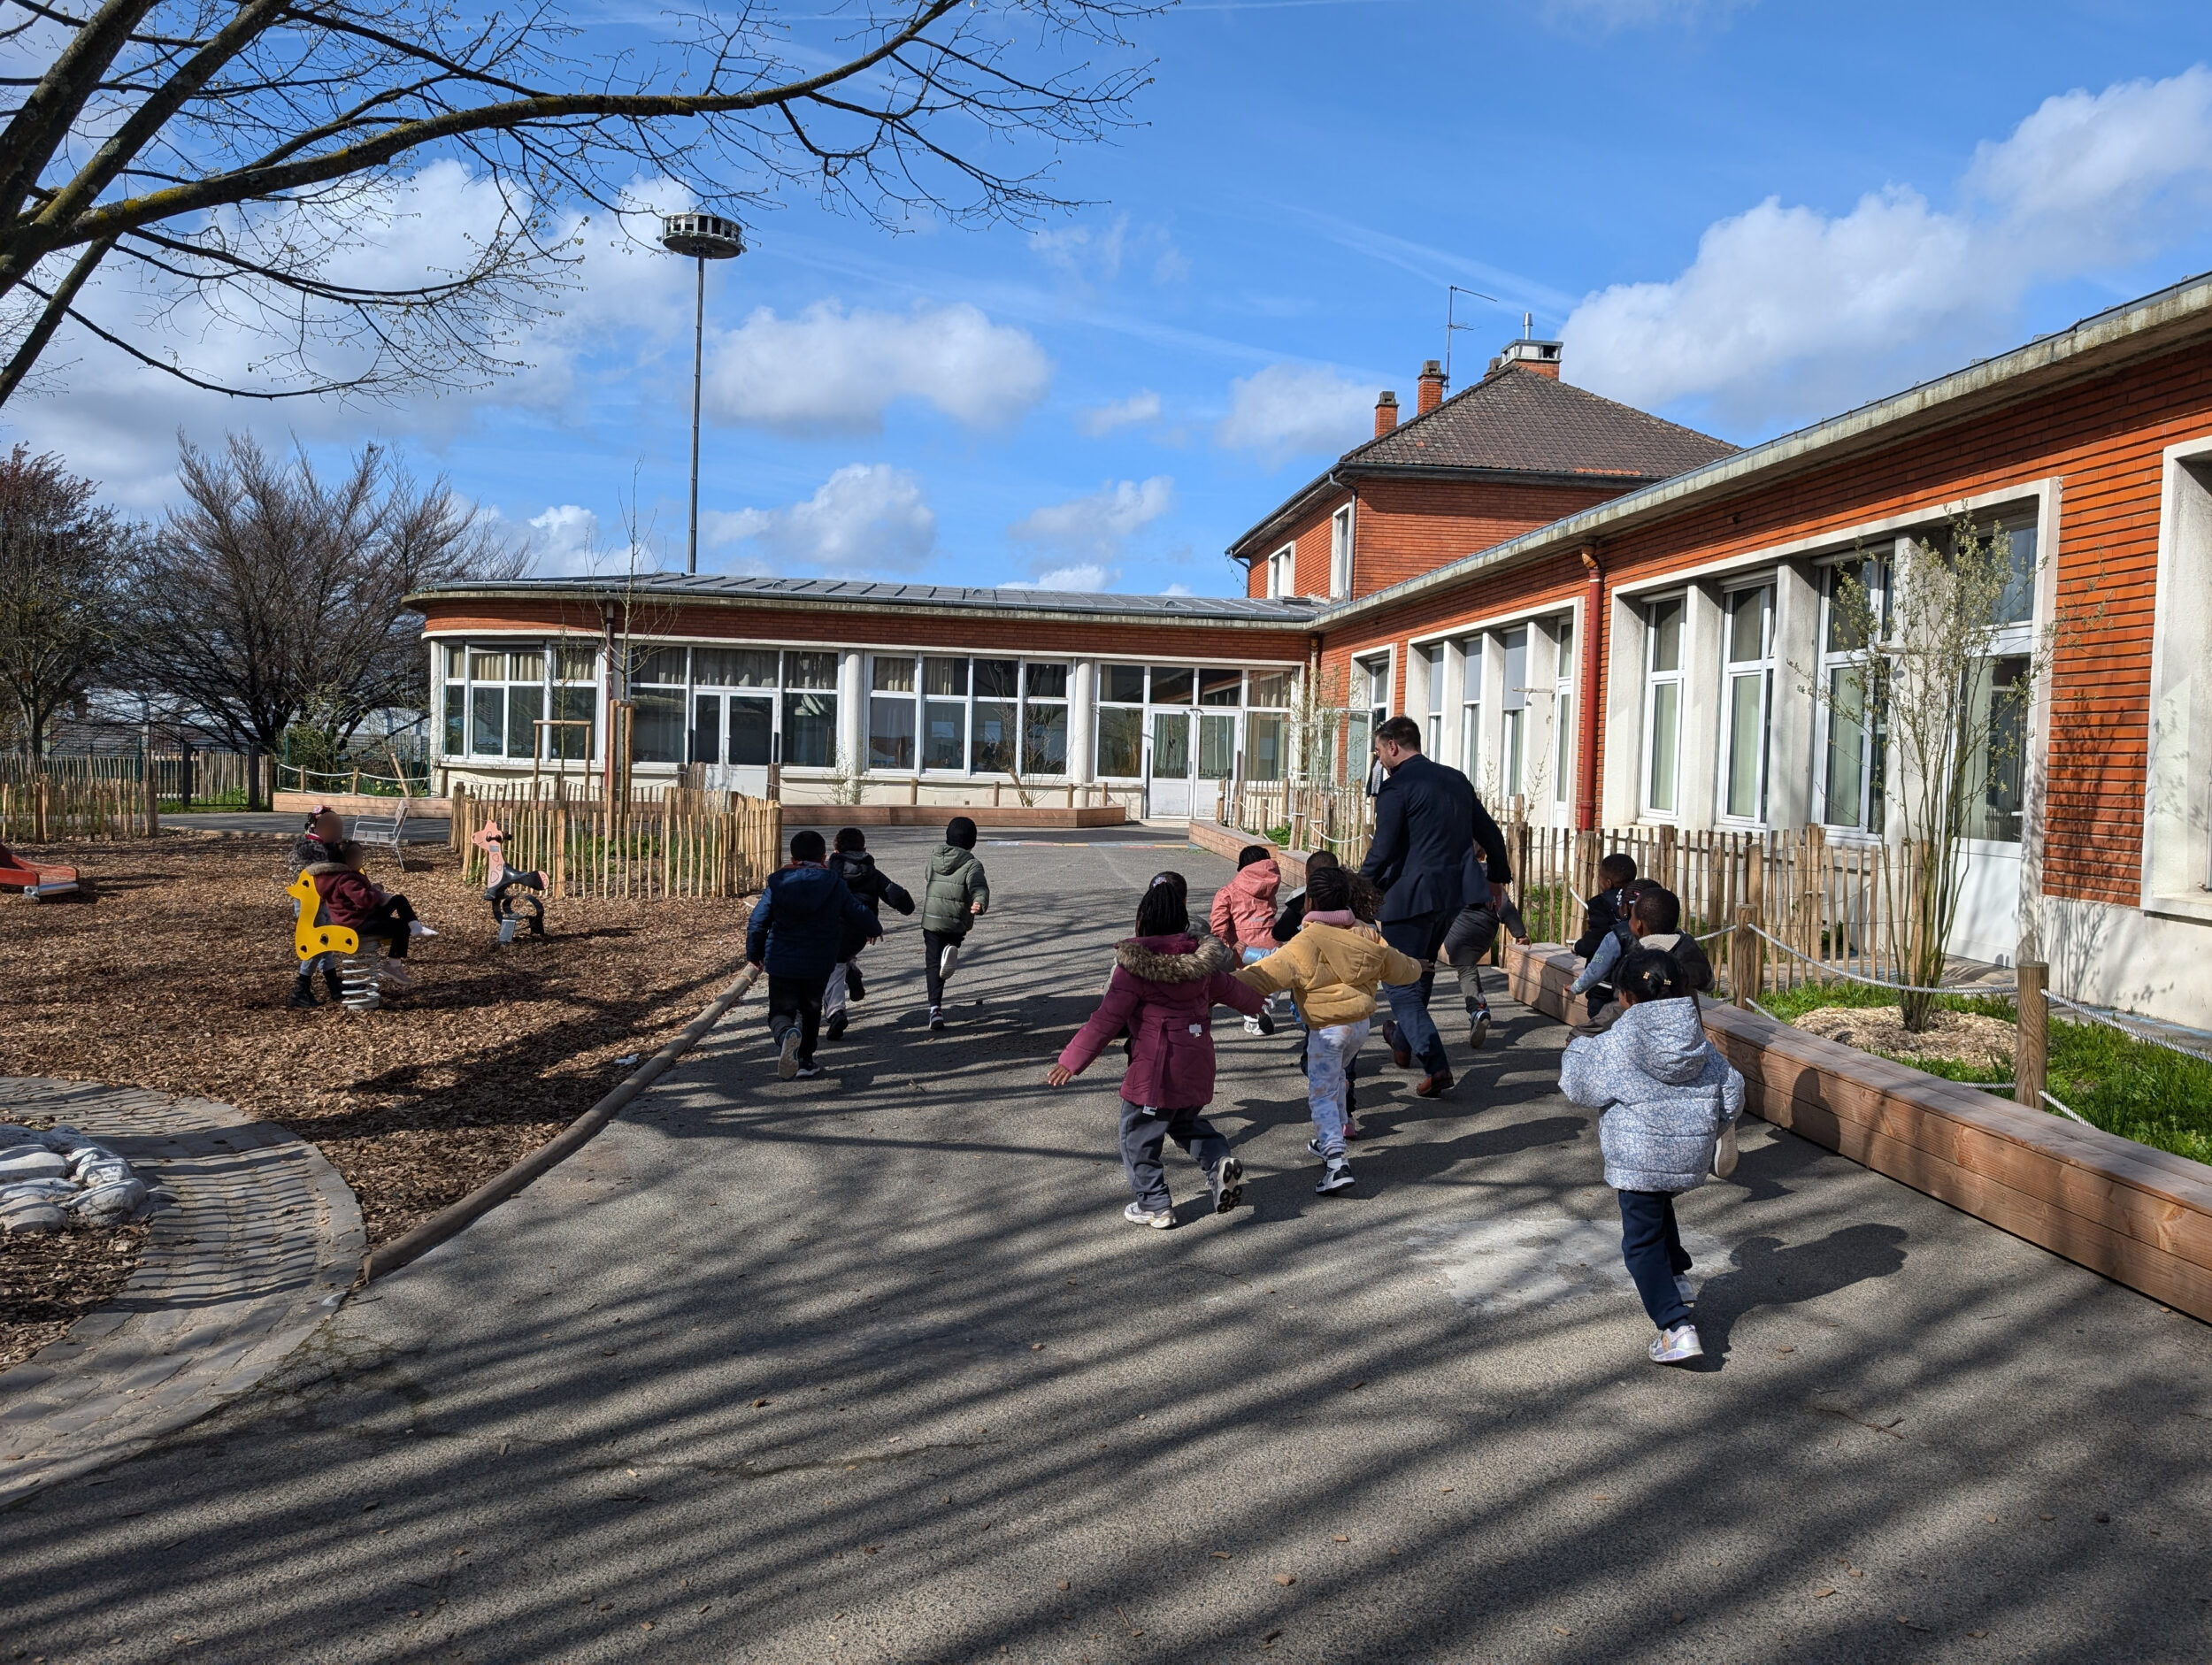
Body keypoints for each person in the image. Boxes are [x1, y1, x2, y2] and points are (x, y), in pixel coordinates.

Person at [1046, 874, 1268, 1229]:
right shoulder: (1203, 965)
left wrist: (1070, 1060)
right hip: (1197, 1061)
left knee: (1137, 1135)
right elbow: (1234, 989)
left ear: (1142, 922)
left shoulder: (1133, 970)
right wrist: (1259, 1005)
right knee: (1184, 1123)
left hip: (1155, 1070)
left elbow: (1105, 1019)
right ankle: (1218, 1160)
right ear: (1182, 922)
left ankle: (1154, 1204)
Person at [1558, 948, 1745, 1366]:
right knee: (1659, 1203)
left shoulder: (1618, 1042)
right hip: (1687, 1154)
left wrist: (1574, 1051)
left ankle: (1675, 1326)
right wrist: (1708, 1131)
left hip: (1638, 1154)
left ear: (1624, 996)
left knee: (1639, 1243)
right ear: (1681, 989)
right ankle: (1676, 1275)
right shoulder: (1698, 1042)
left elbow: (1580, 1089)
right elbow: (1732, 1090)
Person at [1234, 864, 1425, 1195]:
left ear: (1309, 901)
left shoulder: (1304, 942)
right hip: (1359, 1027)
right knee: (1337, 1079)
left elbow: (1262, 975)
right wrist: (1419, 965)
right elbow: (1403, 970)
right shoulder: (1368, 934)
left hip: (1326, 1031)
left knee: (1320, 1093)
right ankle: (1330, 1138)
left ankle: (1337, 1162)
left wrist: (1215, 983)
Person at [1357, 714, 1478, 1098]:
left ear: (1393, 746)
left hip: (1408, 901)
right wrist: (1499, 872)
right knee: (1420, 971)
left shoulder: (1397, 788)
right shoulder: (1454, 778)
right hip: (1450, 899)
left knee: (1401, 987)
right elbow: (1486, 828)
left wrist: (1358, 887)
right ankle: (1405, 1043)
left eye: (1378, 752)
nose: (1379, 761)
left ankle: (1436, 1063)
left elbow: (1384, 848)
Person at [745, 829, 879, 1079]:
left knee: (780, 1011)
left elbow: (758, 921)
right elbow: (856, 910)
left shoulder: (778, 883)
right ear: (823, 858)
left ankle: (785, 1034)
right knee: (810, 1010)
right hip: (818, 961)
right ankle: (805, 1060)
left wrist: (754, 951)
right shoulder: (833, 884)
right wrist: (873, 928)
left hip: (782, 958)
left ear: (793, 857)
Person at [1436, 791, 1521, 1049]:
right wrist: (1519, 932)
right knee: (1469, 966)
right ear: (1483, 855)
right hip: (1485, 930)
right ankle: (1479, 1005)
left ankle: (1476, 1009)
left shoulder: (1452, 873)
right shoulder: (1489, 876)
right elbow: (1505, 907)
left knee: (1465, 969)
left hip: (1459, 930)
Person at [823, 827, 915, 1041]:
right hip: (861, 932)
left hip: (831, 929)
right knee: (842, 957)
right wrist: (906, 905)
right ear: (864, 848)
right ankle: (851, 970)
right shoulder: (872, 873)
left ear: (835, 850)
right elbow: (897, 895)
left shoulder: (827, 871)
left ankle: (836, 1012)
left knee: (833, 967)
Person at [304, 840, 429, 988]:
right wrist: (376, 891)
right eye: (357, 856)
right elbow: (364, 900)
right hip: (356, 922)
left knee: (398, 900)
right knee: (401, 926)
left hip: (359, 915)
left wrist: (376, 893)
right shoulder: (346, 879)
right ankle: (393, 965)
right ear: (346, 860)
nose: (361, 860)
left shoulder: (340, 876)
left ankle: (416, 926)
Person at [920, 816, 990, 1032]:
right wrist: (979, 902)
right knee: (949, 947)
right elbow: (979, 887)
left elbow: (927, 877)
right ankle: (951, 950)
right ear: (972, 841)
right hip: (956, 920)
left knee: (932, 964)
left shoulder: (934, 859)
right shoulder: (972, 864)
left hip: (931, 918)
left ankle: (935, 1009)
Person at [1210, 845, 1283, 1036]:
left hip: (1244, 949)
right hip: (1272, 945)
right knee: (1273, 981)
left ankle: (1254, 1015)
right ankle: (1263, 1008)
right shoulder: (1270, 885)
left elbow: (1218, 927)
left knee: (1247, 984)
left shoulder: (1228, 892)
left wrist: (1228, 947)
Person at [1570, 853, 1640, 1024]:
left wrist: (1578, 947)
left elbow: (1596, 940)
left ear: (1607, 883)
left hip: (1604, 981)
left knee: (1598, 1015)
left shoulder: (1600, 904)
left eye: (1599, 877)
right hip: (1633, 980)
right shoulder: (1639, 899)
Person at [288, 805, 349, 1009]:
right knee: (318, 943)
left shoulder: (326, 845)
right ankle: (301, 987)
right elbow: (316, 872)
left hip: (322, 900)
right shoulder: (308, 845)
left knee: (326, 943)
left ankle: (333, 985)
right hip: (309, 902)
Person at [1624, 886, 1716, 1001]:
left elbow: (1625, 1003)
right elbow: (1709, 985)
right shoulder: (1687, 949)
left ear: (1639, 924)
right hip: (1689, 1017)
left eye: (1632, 916)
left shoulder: (1643, 960)